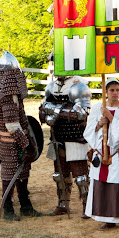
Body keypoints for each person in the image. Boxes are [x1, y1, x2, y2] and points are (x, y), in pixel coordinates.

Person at [84, 78, 119, 230]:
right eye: (112, 90)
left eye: (117, 90)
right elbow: (88, 131)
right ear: (106, 92)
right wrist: (98, 124)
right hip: (100, 153)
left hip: (116, 153)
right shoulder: (97, 109)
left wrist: (111, 118)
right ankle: (108, 219)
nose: (115, 93)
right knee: (103, 184)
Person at [0, 51, 42, 221]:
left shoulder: (2, 86)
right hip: (11, 141)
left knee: (23, 173)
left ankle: (26, 206)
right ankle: (8, 210)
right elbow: (12, 125)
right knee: (9, 175)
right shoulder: (6, 92)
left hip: (17, 138)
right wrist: (26, 144)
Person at [39, 75, 92, 217]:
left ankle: (88, 205)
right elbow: (42, 110)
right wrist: (47, 111)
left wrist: (54, 111)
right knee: (59, 174)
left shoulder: (79, 85)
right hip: (57, 135)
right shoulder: (51, 86)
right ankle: (63, 204)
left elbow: (81, 113)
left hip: (75, 134)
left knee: (80, 175)